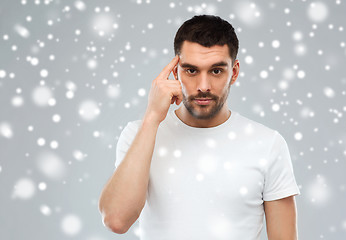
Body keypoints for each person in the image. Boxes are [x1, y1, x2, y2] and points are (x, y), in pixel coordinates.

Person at [98, 15, 301, 240]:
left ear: (233, 73)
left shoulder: (268, 144)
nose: (203, 86)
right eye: (191, 71)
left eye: (216, 71)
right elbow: (116, 220)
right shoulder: (140, 134)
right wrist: (152, 117)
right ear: (175, 72)